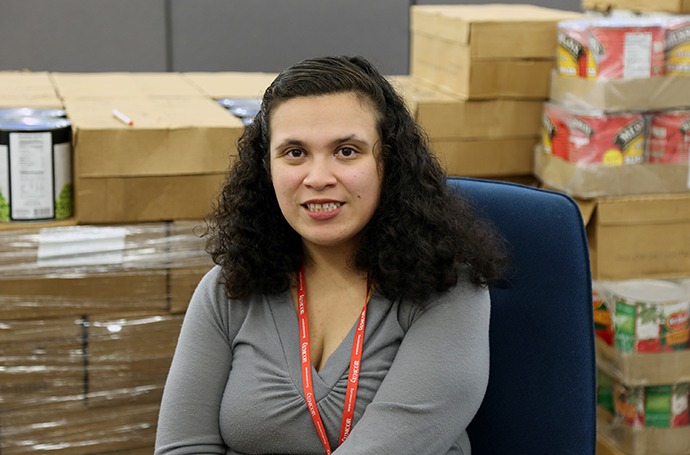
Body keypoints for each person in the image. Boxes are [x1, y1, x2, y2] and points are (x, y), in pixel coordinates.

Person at [154, 55, 507, 455]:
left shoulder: (447, 289)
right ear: (266, 169)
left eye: (346, 151)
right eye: (295, 153)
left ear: (388, 162)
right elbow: (182, 446)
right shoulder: (228, 289)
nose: (318, 177)